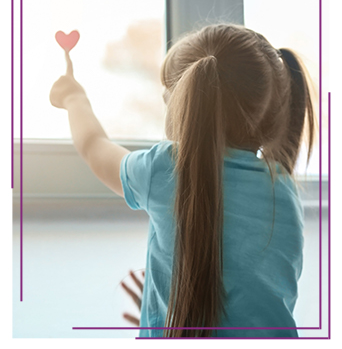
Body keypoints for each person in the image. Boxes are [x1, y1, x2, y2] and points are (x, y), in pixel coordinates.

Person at [50, 23, 316, 338]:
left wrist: (74, 98)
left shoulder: (163, 168)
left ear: (184, 104)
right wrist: (166, 308)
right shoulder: (283, 189)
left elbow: (94, 147)